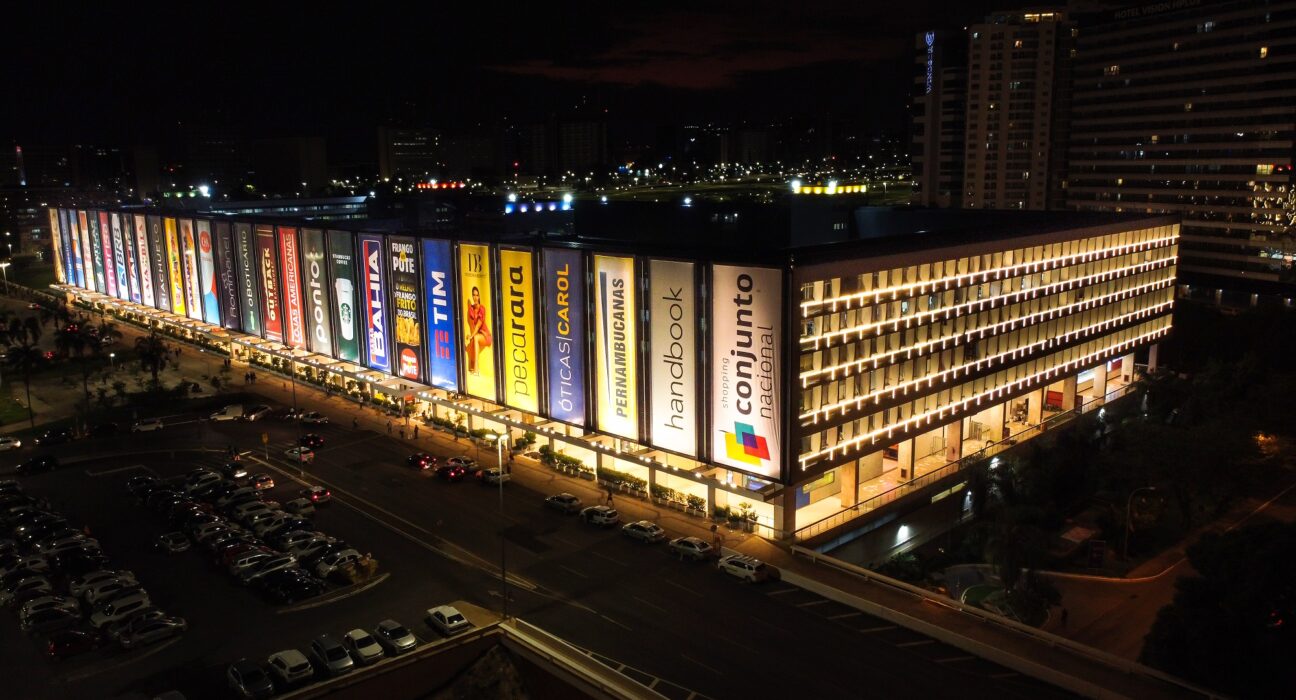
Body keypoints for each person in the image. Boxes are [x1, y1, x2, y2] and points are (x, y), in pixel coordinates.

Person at [464, 286, 492, 375]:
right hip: (477, 335)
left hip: (486, 336)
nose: (475, 297)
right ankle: (471, 368)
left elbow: (478, 325)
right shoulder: (471, 309)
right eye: (473, 295)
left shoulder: (482, 309)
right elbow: (472, 326)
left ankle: (476, 368)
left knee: (475, 338)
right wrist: (470, 336)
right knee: (472, 340)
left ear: (479, 296)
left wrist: (472, 336)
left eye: (477, 295)